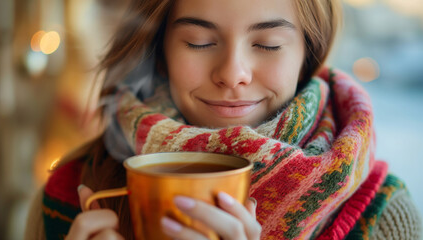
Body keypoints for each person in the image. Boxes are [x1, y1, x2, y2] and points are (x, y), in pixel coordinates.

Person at [25, 0, 422, 239]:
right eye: (199, 42)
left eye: (268, 44)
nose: (233, 73)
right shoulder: (72, 194)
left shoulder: (384, 217)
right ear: (160, 47)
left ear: (308, 53)